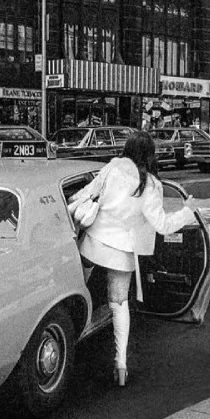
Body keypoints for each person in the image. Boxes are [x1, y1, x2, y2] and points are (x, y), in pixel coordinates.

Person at [69, 130, 197, 387]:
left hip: (92, 243)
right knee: (118, 303)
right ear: (150, 154)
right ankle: (120, 365)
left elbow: (82, 194)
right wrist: (187, 212)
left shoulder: (112, 169)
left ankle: (73, 337)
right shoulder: (150, 185)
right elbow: (161, 225)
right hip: (122, 252)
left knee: (77, 288)